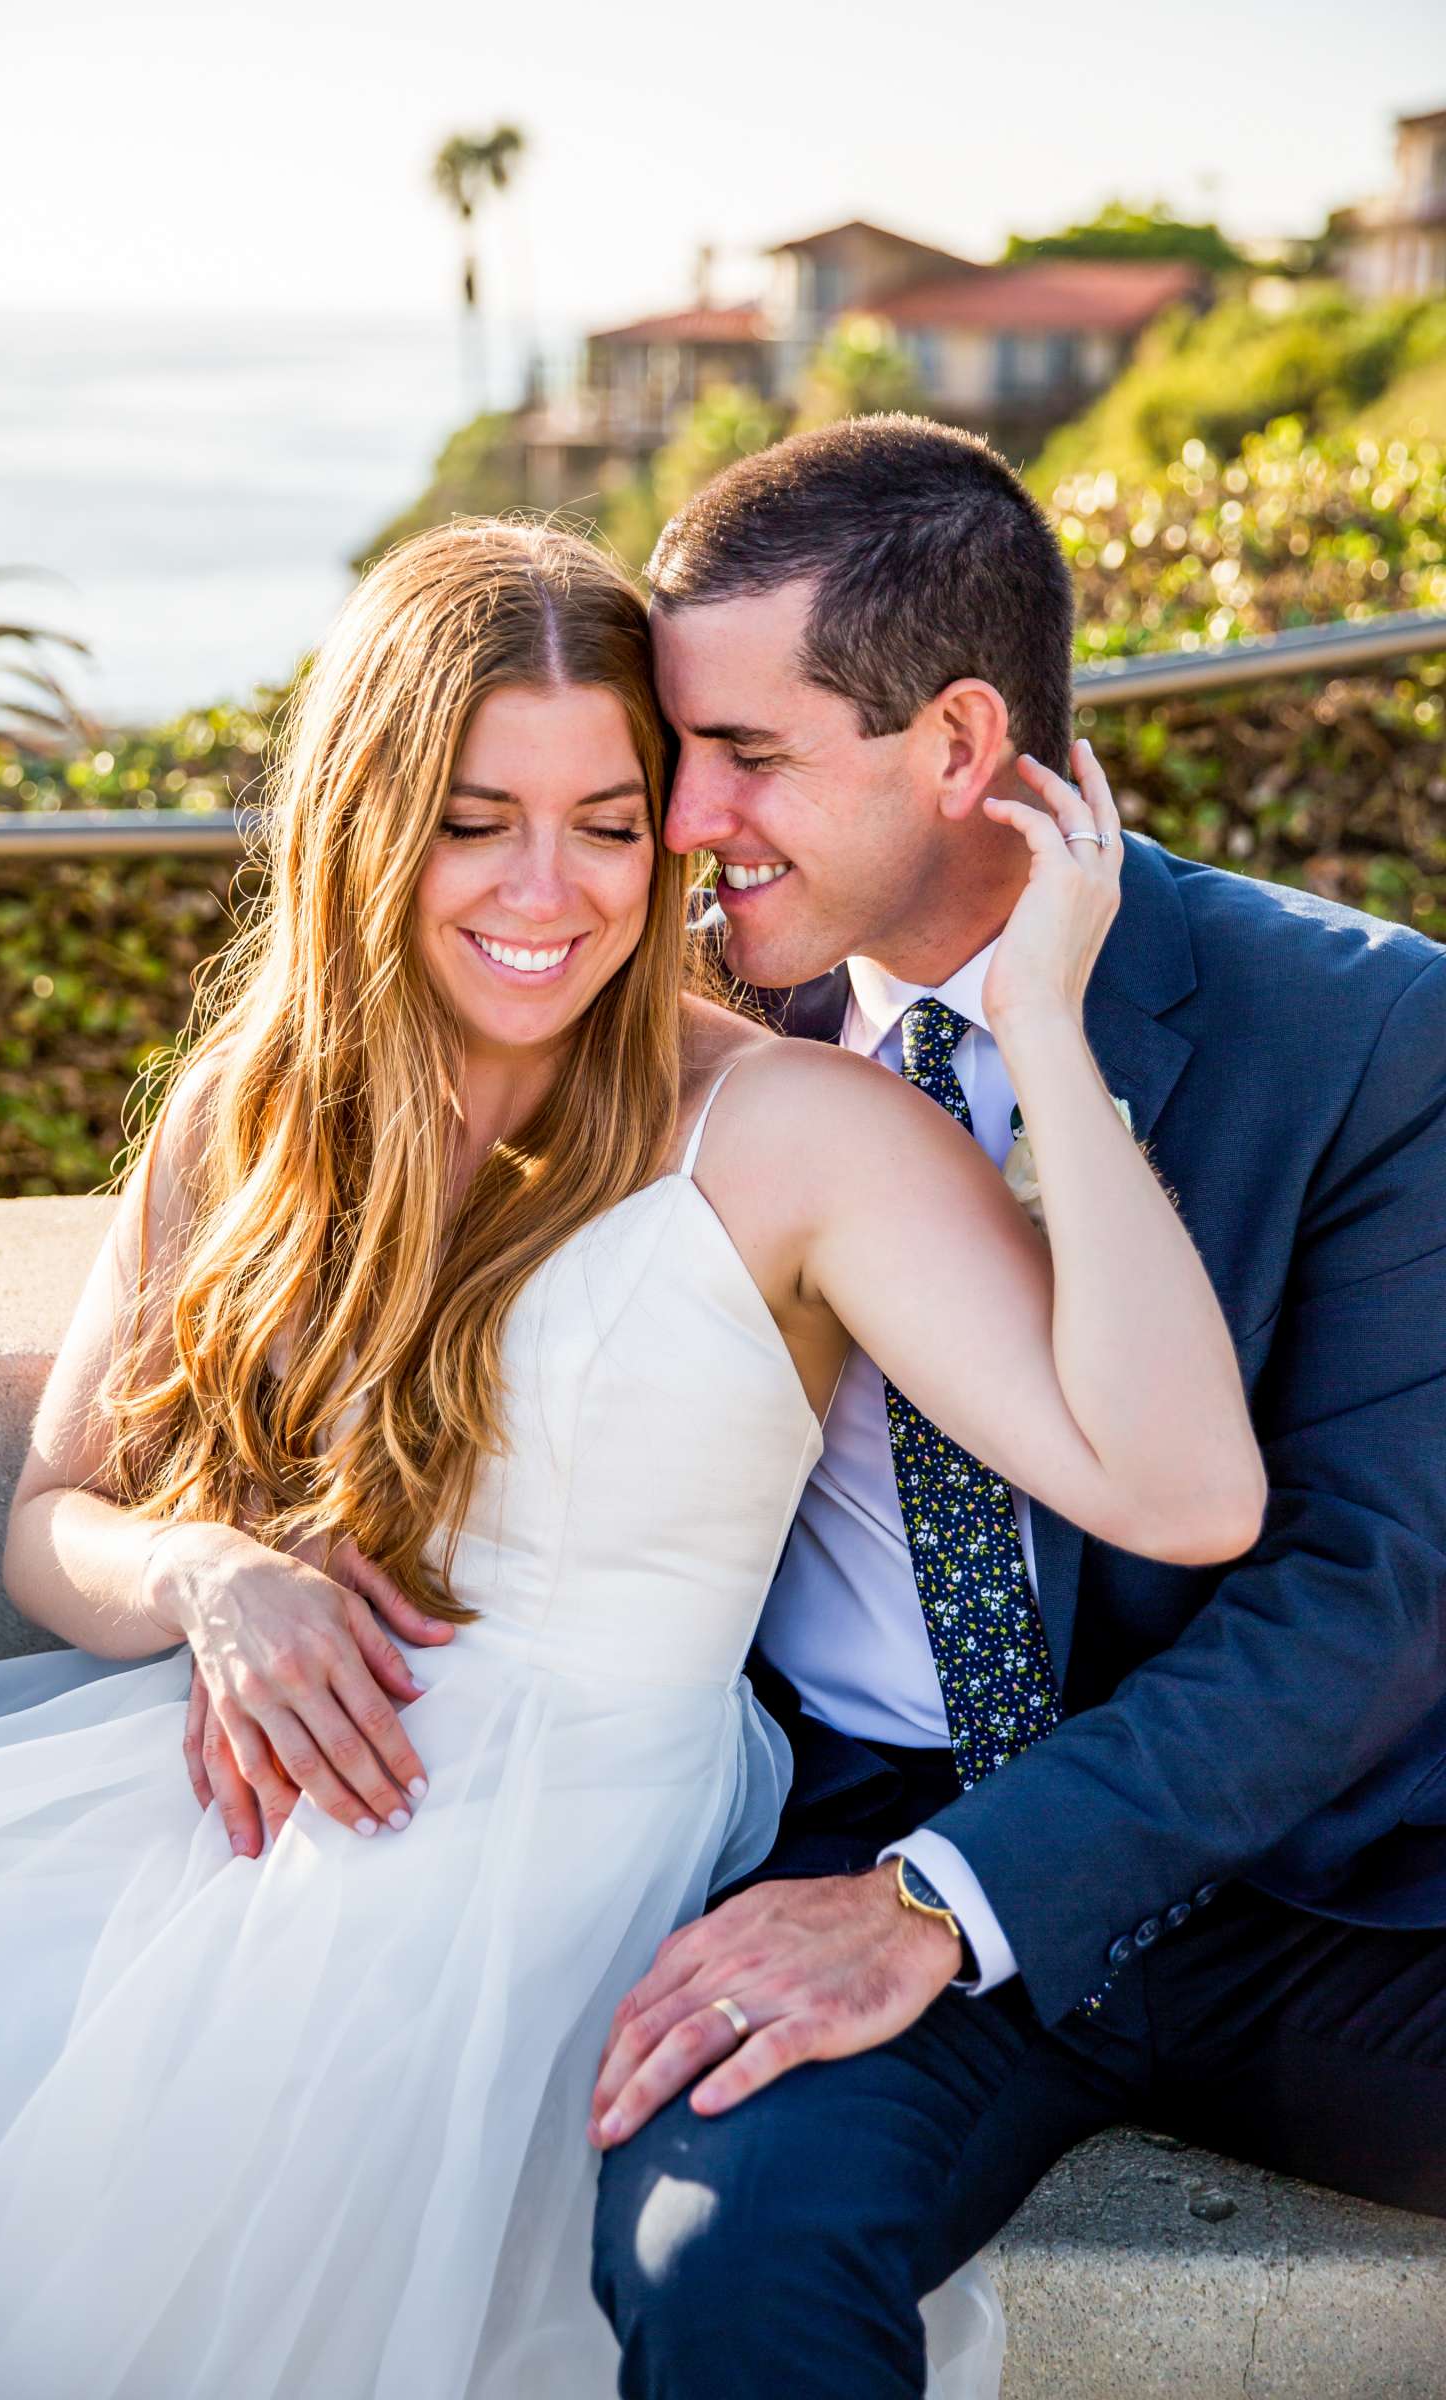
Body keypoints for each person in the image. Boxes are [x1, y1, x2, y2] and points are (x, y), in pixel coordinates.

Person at [0, 516, 1261, 2400]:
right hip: (211, 1841)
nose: (553, 888)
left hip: (561, 1902)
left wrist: (1049, 1038)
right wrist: (208, 1577)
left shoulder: (787, 1131)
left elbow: (1181, 1492)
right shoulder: (253, 1111)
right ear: (368, 815)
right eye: (474, 817)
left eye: (610, 818)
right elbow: (53, 1521)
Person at [572, 416, 1446, 2400]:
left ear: (958, 746)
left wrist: (947, 1905)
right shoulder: (666, 1028)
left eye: (750, 757)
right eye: (676, 747)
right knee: (717, 2262)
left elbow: (1365, 1586)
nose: (683, 819)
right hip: (838, 1834)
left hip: (1313, 1886)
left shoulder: (1367, 1031)